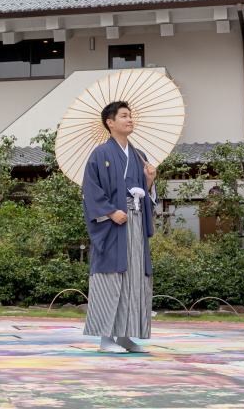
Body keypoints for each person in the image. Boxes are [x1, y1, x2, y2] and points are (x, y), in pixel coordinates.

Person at [81, 101, 157, 353]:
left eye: (130, 115)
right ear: (110, 122)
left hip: (135, 222)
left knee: (135, 277)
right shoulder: (100, 154)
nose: (130, 119)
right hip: (112, 225)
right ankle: (106, 338)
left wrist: (149, 181)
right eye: (124, 116)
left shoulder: (139, 155)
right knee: (110, 277)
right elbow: (90, 190)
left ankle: (126, 336)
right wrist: (111, 212)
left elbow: (144, 194)